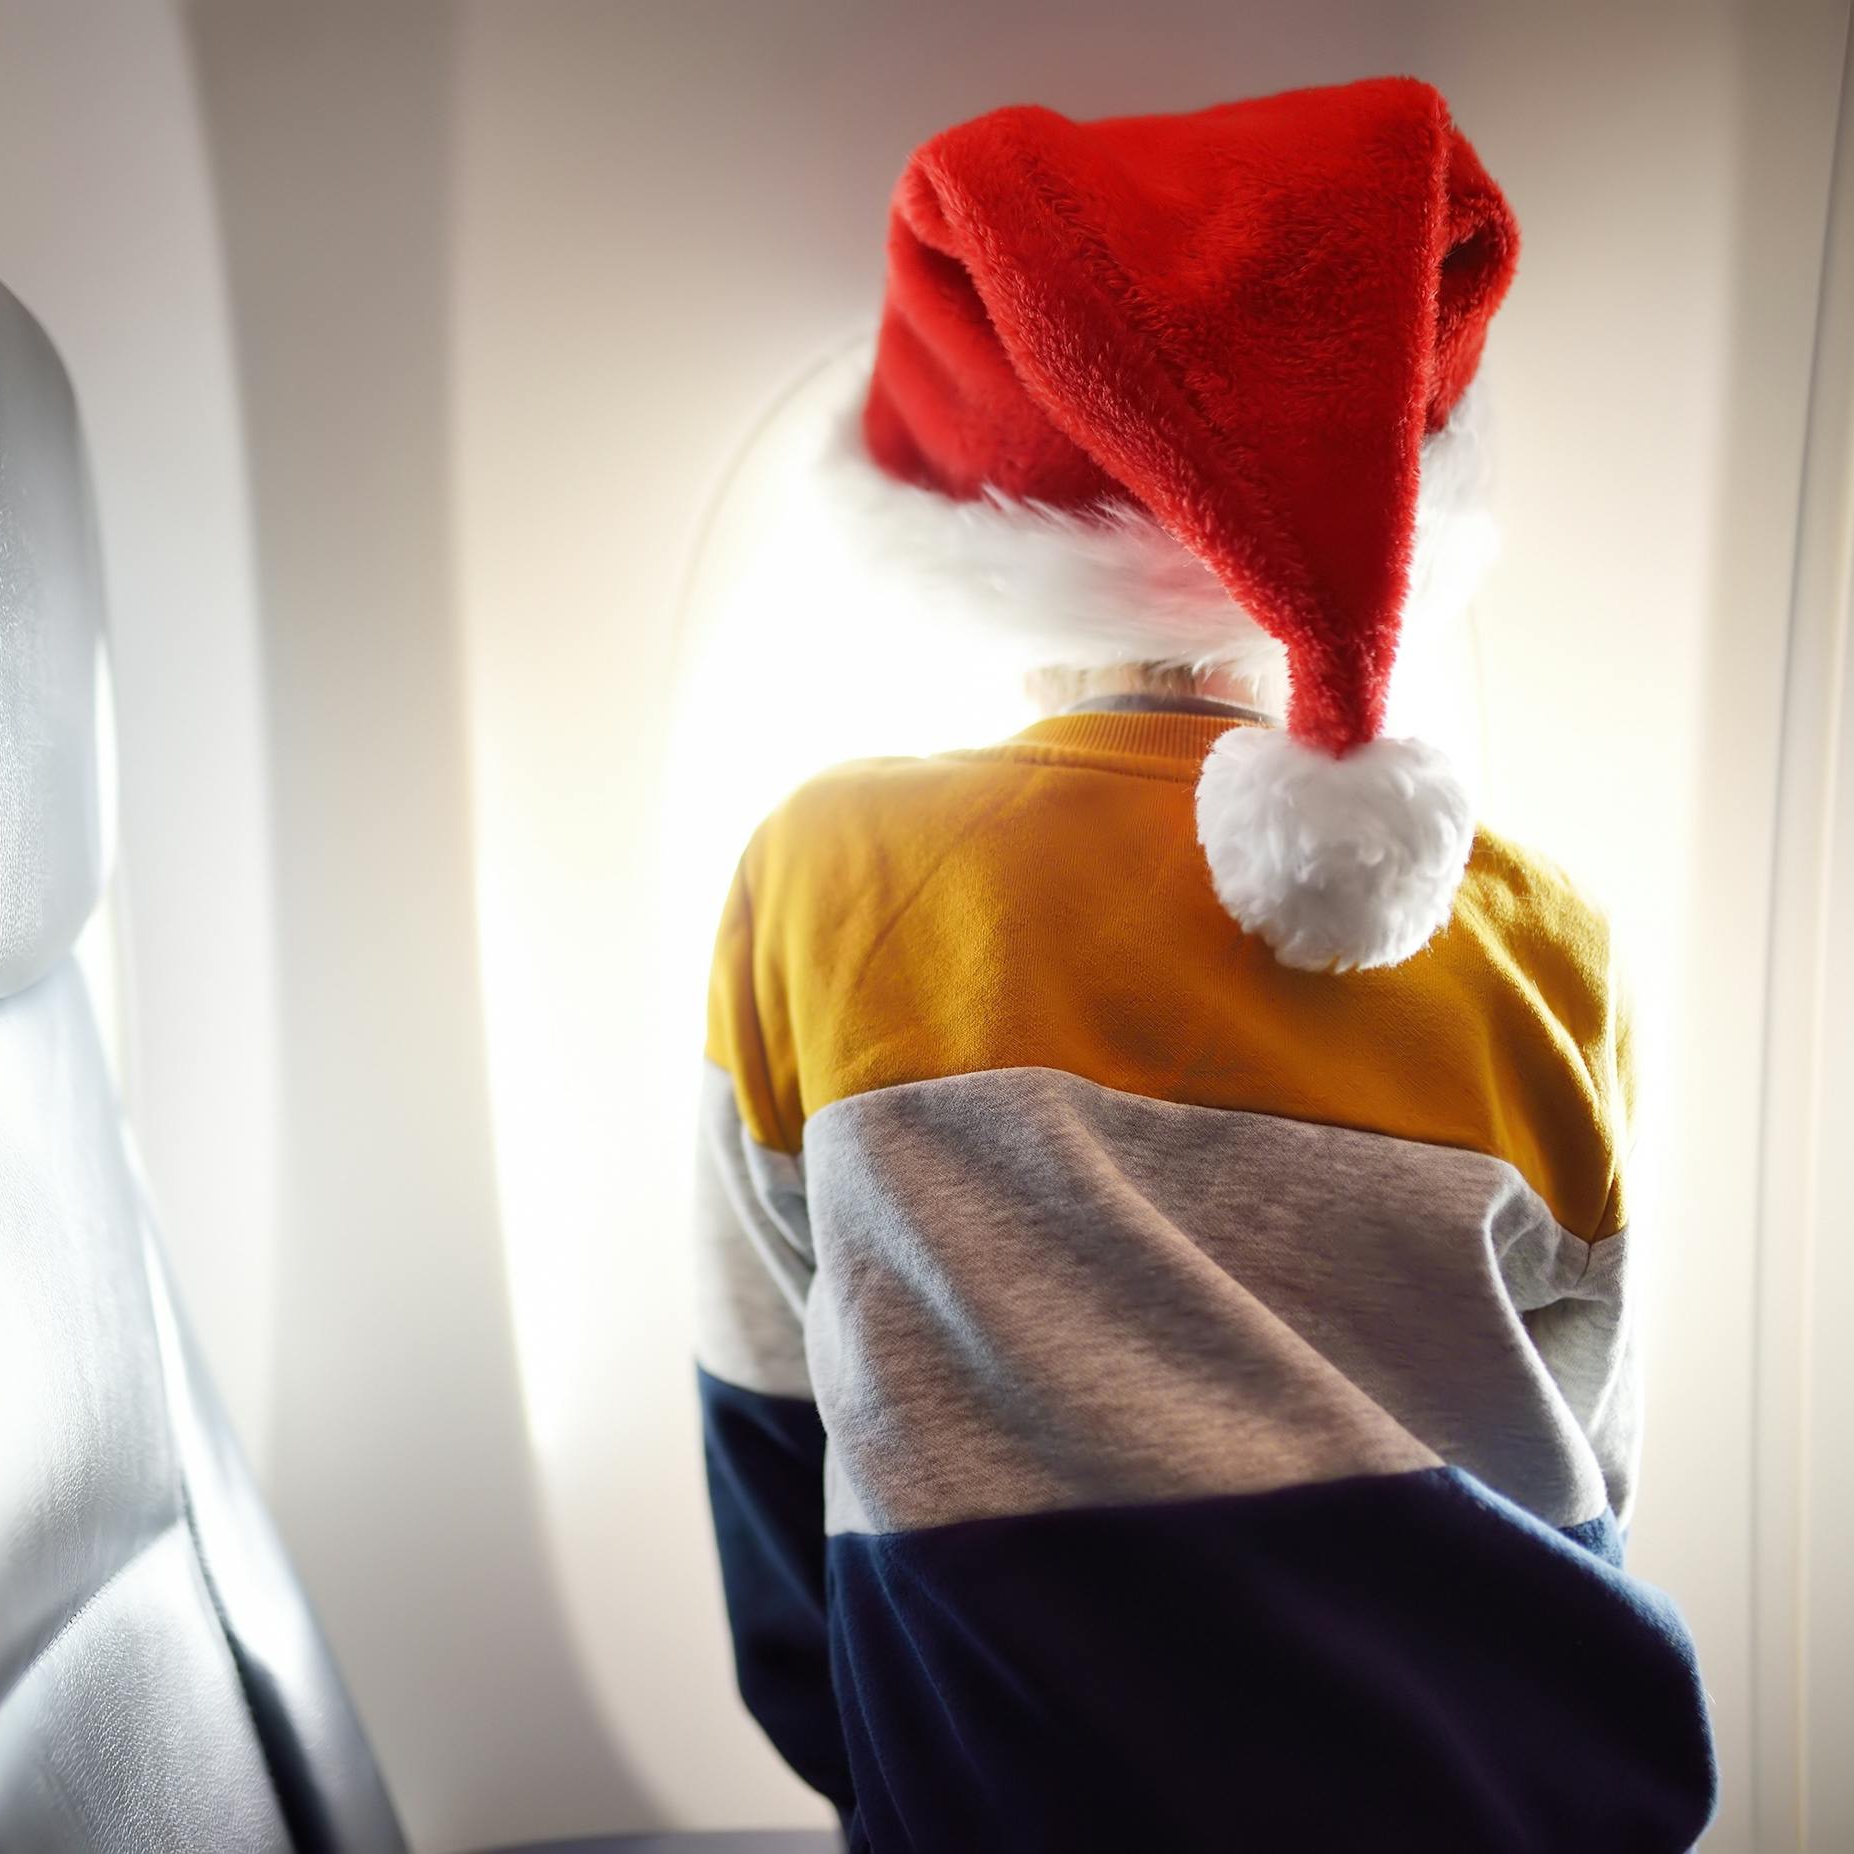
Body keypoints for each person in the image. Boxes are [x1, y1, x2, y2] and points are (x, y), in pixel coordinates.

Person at [692, 77, 1719, 1851]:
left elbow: (770, 1416)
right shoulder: (1545, 936)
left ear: (974, 546)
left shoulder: (827, 876)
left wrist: (889, 1759)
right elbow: (1587, 1462)